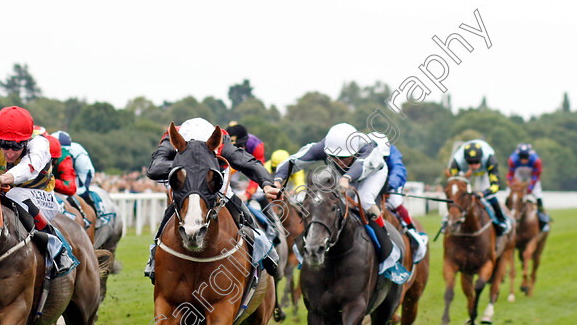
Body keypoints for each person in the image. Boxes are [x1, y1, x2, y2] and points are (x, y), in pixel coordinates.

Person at [144, 117, 282, 284]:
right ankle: (154, 256)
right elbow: (154, 168)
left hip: (211, 178)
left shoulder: (221, 140)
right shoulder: (173, 137)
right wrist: (188, 166)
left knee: (238, 208)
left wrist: (266, 183)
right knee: (172, 210)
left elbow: (248, 163)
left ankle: (265, 249)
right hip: (184, 179)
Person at [273, 123, 410, 283]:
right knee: (321, 202)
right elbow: (292, 161)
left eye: (344, 158)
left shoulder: (367, 147)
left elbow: (361, 166)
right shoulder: (322, 147)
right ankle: (307, 247)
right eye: (335, 158)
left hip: (373, 173)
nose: (340, 162)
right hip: (345, 177)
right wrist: (277, 181)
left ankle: (389, 257)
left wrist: (345, 179)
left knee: (365, 201)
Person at [0, 106, 77, 277]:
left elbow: (28, 169)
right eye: (4, 145)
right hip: (4, 193)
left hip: (40, 197)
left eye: (16, 146)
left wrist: (2, 178)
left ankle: (57, 248)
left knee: (15, 194)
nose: (9, 153)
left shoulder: (40, 143)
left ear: (26, 140)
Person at [367, 132, 428, 263]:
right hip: (369, 183)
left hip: (390, 182)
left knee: (395, 203)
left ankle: (412, 230)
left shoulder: (392, 152)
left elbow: (399, 170)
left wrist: (389, 185)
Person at [447, 139, 510, 235]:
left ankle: (501, 220)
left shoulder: (490, 159)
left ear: (481, 159)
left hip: (484, 173)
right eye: (470, 163)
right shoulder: (457, 162)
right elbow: (453, 183)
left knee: (490, 196)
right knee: (456, 195)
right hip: (465, 173)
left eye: (476, 162)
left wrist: (483, 193)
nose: (474, 166)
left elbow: (495, 186)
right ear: (465, 160)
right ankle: (447, 220)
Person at [507, 143, 550, 230]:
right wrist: (513, 186)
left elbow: (535, 177)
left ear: (529, 155)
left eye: (525, 157)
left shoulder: (536, 161)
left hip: (532, 174)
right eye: (521, 157)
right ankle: (506, 215)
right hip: (518, 173)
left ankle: (543, 218)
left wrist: (529, 189)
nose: (523, 160)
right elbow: (510, 175)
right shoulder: (512, 160)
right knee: (508, 194)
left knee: (538, 194)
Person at [226, 122, 266, 201]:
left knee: (259, 192)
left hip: (250, 163)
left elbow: (257, 173)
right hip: (232, 164)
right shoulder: (223, 143)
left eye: (239, 146)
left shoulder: (257, 146)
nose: (236, 149)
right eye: (233, 146)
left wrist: (247, 195)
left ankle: (268, 212)